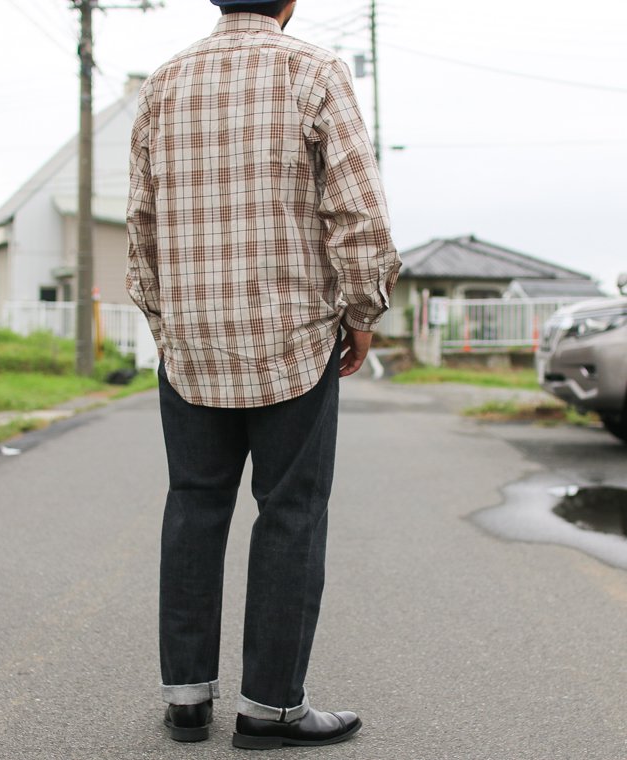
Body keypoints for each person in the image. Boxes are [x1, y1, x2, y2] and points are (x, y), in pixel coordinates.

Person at [126, 0, 401, 749]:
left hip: (190, 343)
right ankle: (269, 709)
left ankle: (187, 701)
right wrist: (362, 308)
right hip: (294, 339)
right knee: (289, 513)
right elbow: (358, 211)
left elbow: (141, 221)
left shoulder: (164, 82)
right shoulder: (311, 70)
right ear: (289, 2)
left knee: (194, 505)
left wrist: (165, 321)